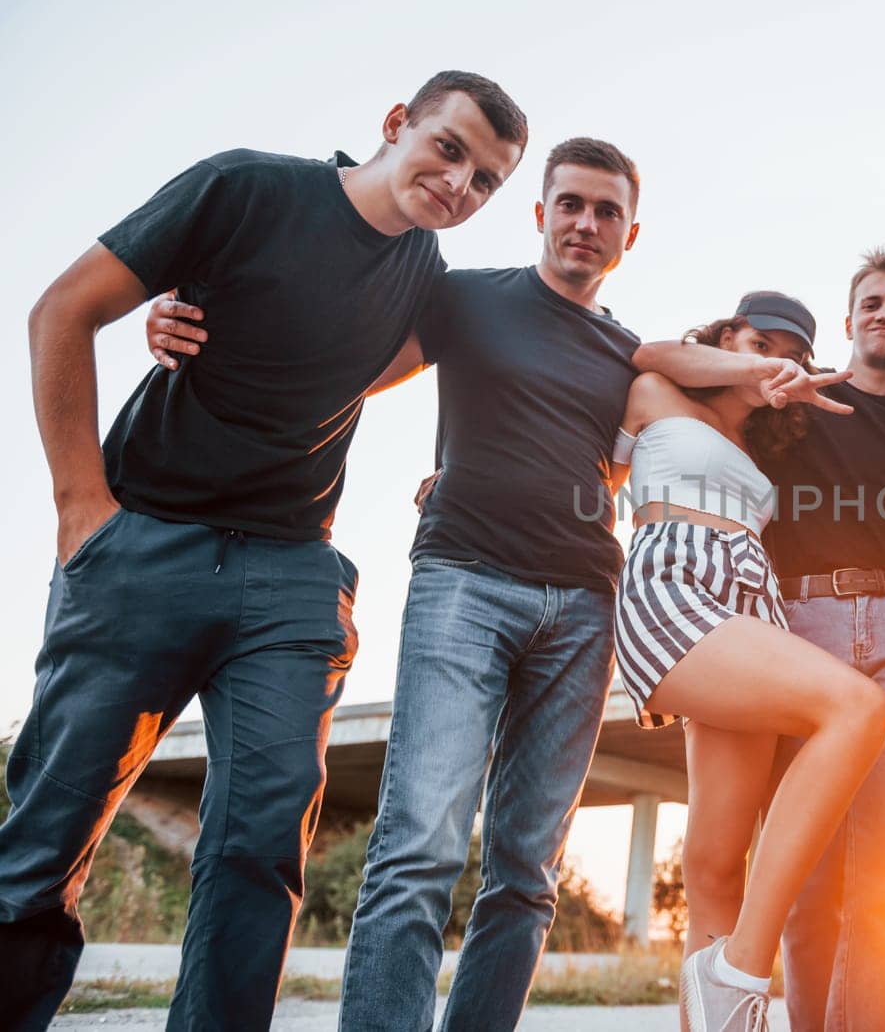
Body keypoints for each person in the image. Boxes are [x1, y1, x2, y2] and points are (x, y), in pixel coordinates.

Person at [0, 72, 527, 1032]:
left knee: (260, 849)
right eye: (448, 149)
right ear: (396, 124)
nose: (459, 184)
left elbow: (402, 368)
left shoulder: (427, 280)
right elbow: (61, 311)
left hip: (292, 574)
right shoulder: (244, 188)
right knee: (48, 837)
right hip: (144, 546)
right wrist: (84, 512)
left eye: (486, 179)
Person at [142, 138, 650, 1032]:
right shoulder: (464, 297)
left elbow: (612, 467)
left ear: (629, 236)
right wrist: (192, 327)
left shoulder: (630, 354)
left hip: (582, 608)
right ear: (540, 213)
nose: (586, 222)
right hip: (464, 582)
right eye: (570, 202)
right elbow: (336, 359)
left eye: (606, 211)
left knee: (528, 872)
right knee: (418, 846)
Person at [633, 251, 885, 1031]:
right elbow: (647, 355)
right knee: (855, 713)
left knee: (716, 858)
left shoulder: (776, 434)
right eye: (758, 341)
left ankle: (721, 1003)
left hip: (757, 609)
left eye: (789, 353)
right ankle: (746, 968)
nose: (773, 361)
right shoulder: (657, 391)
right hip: (685, 591)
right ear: (726, 333)